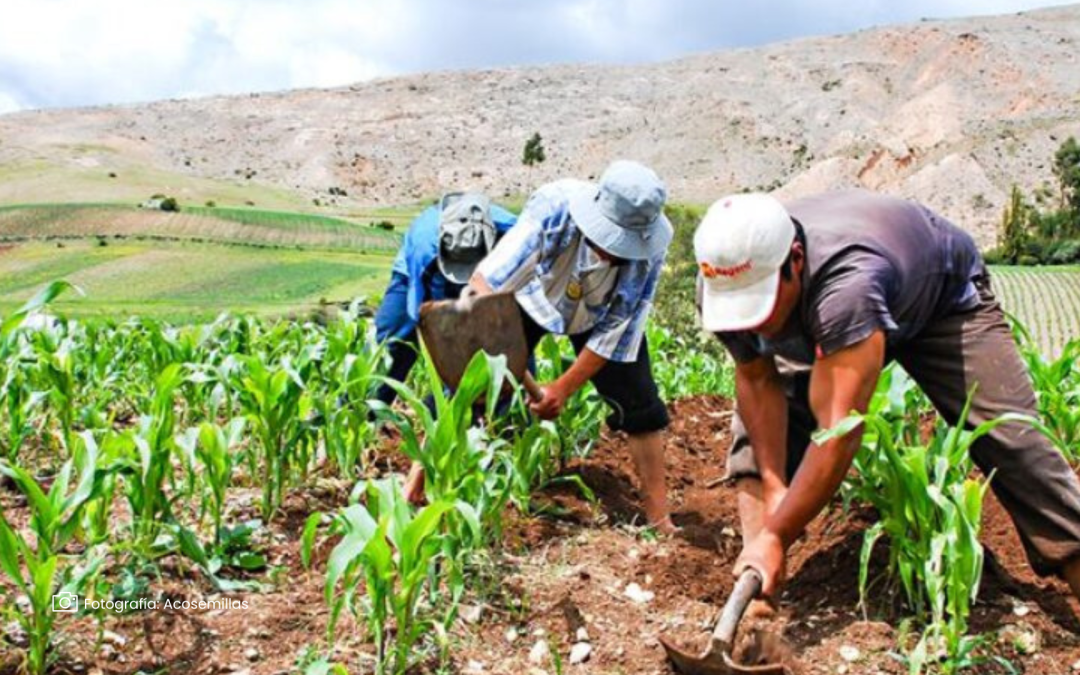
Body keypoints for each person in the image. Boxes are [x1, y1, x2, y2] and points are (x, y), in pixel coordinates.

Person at [692, 188, 1080, 602]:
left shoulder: (846, 287)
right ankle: (756, 598)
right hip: (832, 307)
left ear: (796, 261)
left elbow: (838, 432)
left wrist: (780, 531)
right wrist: (773, 489)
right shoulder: (724, 279)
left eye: (760, 303)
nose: (755, 322)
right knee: (756, 441)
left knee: (1014, 443)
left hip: (940, 302)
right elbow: (756, 380)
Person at [448, 159, 678, 533]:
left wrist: (561, 389)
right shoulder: (553, 209)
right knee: (468, 386)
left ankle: (660, 518)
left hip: (597, 311)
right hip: (532, 297)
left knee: (640, 402)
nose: (614, 252)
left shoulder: (648, 250)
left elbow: (617, 332)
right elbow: (485, 284)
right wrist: (503, 348)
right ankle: (421, 490)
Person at [373, 192, 517, 406]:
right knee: (394, 342)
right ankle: (364, 411)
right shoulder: (425, 248)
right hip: (420, 272)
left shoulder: (514, 235)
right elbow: (426, 316)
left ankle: (495, 416)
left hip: (488, 277)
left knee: (510, 352)